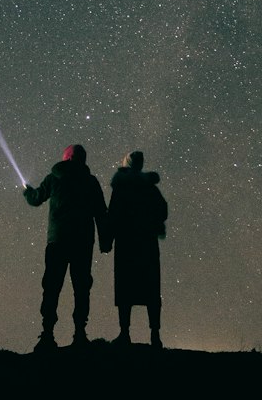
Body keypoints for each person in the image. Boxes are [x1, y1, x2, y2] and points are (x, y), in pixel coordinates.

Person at [24, 144, 111, 351]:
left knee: (52, 286)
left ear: (67, 157)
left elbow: (36, 199)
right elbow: (101, 212)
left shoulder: (54, 177)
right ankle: (80, 334)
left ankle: (47, 335)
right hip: (83, 241)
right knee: (82, 288)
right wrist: (105, 241)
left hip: (58, 241)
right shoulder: (90, 181)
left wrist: (27, 192)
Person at [108, 151, 168, 349]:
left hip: (126, 243)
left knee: (125, 289)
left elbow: (113, 213)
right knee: (151, 289)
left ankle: (124, 334)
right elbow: (163, 209)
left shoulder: (121, 186)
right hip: (147, 243)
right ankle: (155, 336)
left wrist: (107, 238)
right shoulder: (150, 188)